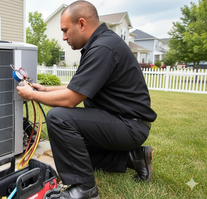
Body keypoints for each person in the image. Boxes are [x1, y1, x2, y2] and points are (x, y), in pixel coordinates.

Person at [16, 1, 157, 199]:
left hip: (129, 125)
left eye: (65, 30)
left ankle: (84, 189)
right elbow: (78, 86)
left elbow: (71, 99)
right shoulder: (101, 44)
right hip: (122, 121)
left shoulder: (103, 48)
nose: (63, 37)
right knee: (73, 154)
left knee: (58, 117)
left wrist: (31, 95)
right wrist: (46, 88)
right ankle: (134, 158)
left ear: (81, 24)